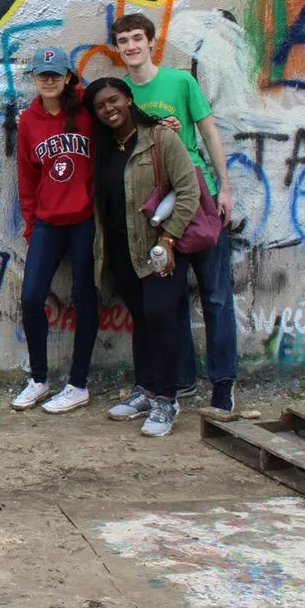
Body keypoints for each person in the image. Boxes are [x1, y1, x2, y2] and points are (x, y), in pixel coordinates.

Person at [113, 12, 237, 412]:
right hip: (162, 210)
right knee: (174, 299)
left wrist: (225, 188)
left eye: (137, 38)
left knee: (216, 295)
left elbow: (209, 133)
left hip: (200, 195)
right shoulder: (122, 95)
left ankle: (223, 383)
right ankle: (181, 380)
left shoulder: (181, 81)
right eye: (123, 41)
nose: (131, 46)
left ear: (152, 41)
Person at [84, 78, 201, 438]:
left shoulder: (160, 138)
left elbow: (188, 190)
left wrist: (168, 238)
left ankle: (167, 399)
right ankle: (147, 389)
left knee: (162, 315)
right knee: (141, 317)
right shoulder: (104, 146)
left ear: (129, 100)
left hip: (159, 247)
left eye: (114, 100)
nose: (109, 109)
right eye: (100, 106)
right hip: (121, 247)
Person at [12, 46, 98, 414]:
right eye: (41, 74)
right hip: (48, 222)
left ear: (67, 78)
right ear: (34, 78)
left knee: (85, 296)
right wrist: (32, 226)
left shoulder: (87, 110)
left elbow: (121, 117)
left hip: (84, 220)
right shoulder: (28, 121)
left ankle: (78, 384)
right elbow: (27, 180)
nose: (48, 80)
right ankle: (39, 379)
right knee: (31, 297)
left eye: (55, 74)